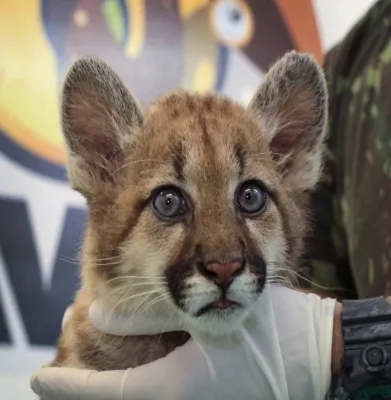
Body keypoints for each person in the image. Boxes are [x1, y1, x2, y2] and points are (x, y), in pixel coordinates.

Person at [30, 1, 391, 398]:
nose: (223, 260)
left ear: (291, 164)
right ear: (101, 166)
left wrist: (331, 343)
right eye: (170, 203)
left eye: (250, 199)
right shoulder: (361, 55)